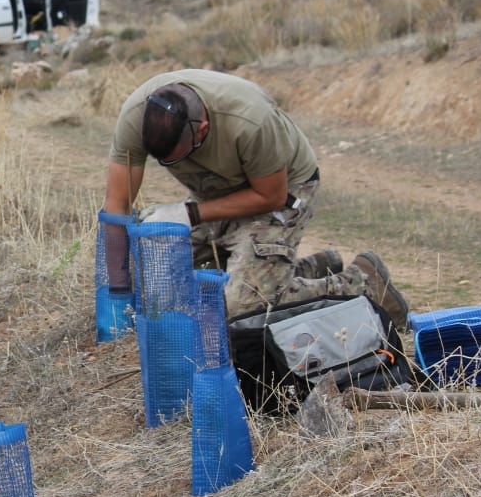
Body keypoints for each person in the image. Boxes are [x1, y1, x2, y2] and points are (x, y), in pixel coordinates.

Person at [103, 68, 409, 327]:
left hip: (283, 191)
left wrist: (189, 214)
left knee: (241, 308)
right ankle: (309, 269)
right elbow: (117, 206)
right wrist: (118, 294)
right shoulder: (137, 117)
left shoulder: (251, 121)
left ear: (203, 130)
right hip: (215, 193)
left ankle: (363, 284)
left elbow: (270, 196)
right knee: (161, 278)